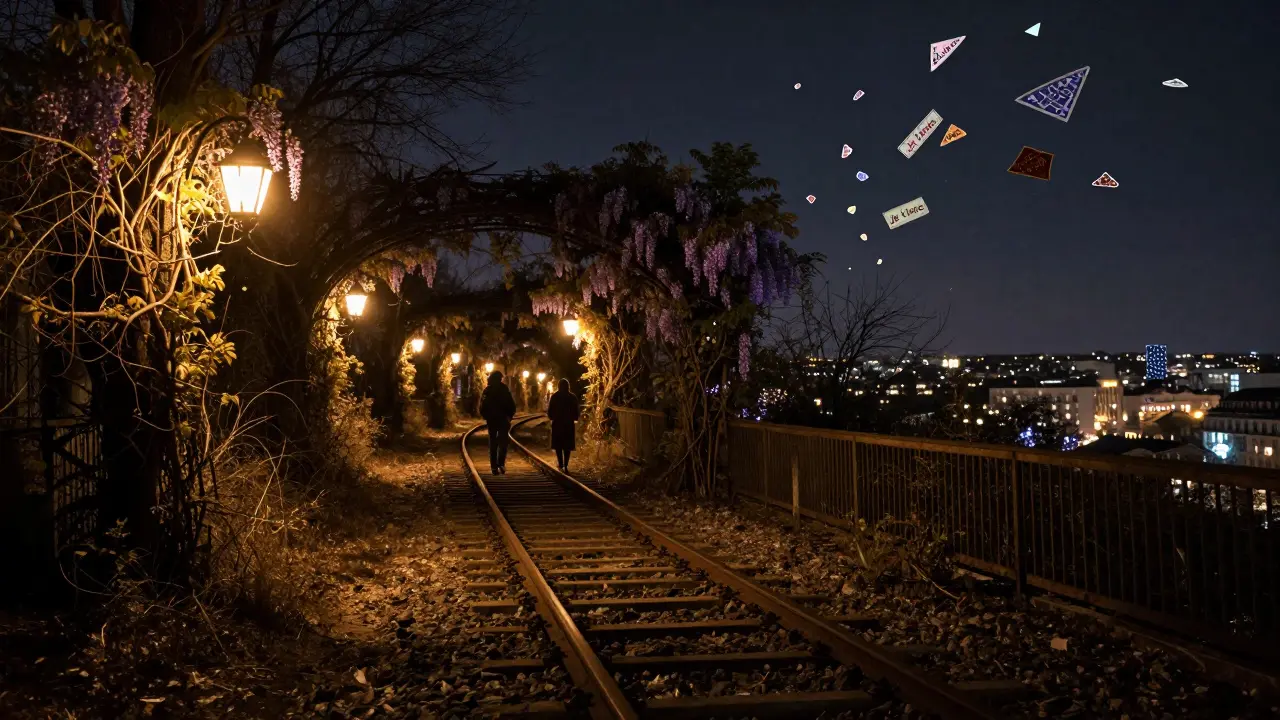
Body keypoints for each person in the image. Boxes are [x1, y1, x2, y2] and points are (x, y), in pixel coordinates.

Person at [479, 371, 516, 474]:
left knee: (493, 443)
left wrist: (486, 416)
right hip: (503, 419)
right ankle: (501, 464)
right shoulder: (504, 389)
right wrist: (509, 416)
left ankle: (494, 467)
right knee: (503, 442)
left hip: (492, 420)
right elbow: (511, 405)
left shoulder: (487, 390)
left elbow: (482, 405)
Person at [546, 379, 580, 472]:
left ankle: (560, 463)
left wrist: (551, 417)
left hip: (557, 423)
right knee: (567, 445)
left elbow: (550, 411)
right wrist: (574, 418)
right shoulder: (572, 397)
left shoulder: (555, 396)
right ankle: (566, 465)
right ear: (568, 386)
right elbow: (576, 411)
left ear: (559, 386)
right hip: (568, 424)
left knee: (558, 445)